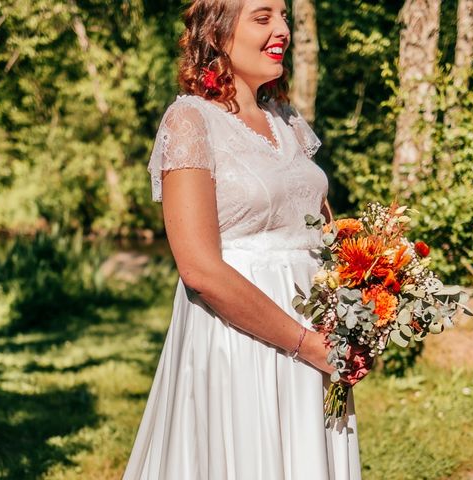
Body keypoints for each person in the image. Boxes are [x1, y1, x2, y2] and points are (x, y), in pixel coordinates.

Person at [124, 0, 371, 478]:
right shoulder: (190, 121)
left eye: (283, 16)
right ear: (217, 33)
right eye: (263, 18)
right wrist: (306, 343)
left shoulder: (288, 120)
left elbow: (324, 233)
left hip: (317, 340)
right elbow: (198, 268)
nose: (282, 29)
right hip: (241, 343)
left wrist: (362, 310)